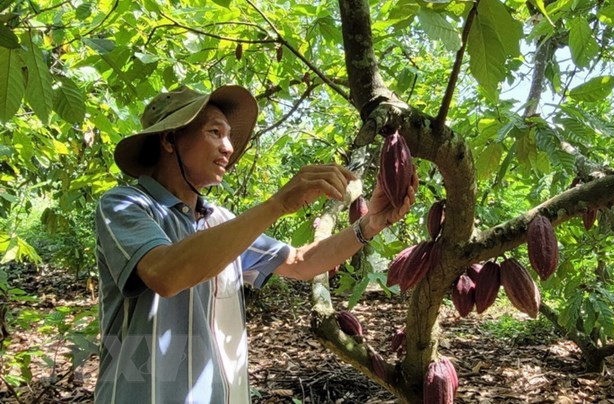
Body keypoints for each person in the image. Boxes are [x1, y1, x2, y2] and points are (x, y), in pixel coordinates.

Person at [94, 85, 414, 403]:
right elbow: (164, 273)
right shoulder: (125, 205)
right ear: (169, 140)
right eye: (215, 132)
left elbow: (301, 262)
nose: (228, 147)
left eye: (229, 135)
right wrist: (277, 204)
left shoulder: (220, 221)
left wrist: (370, 224)